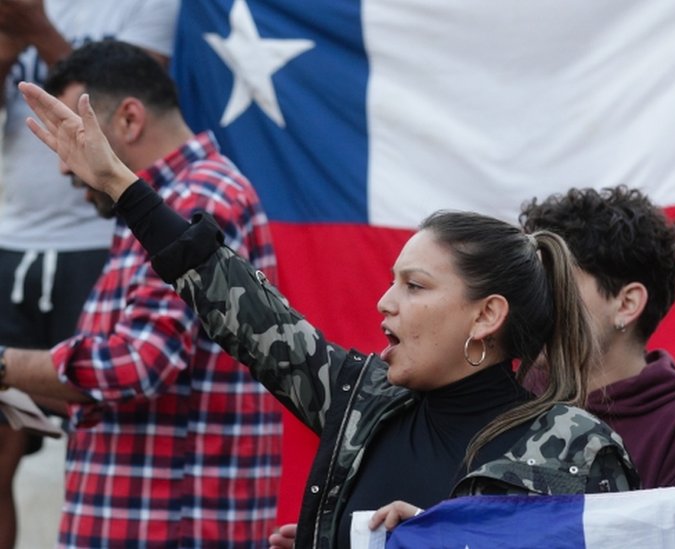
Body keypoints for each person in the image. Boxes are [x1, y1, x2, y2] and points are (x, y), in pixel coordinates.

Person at [18, 77, 641, 549]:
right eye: (391, 283)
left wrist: (433, 537)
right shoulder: (361, 399)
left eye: (415, 287)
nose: (385, 303)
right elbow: (243, 307)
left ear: (486, 316)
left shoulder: (575, 448)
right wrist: (120, 183)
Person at [0, 41, 282, 547]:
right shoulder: (157, 206)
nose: (64, 166)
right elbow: (129, 384)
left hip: (169, 526)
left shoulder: (197, 200)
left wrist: (4, 366)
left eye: (71, 134)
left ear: (129, 119)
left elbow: (136, 365)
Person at [0, 2, 178, 547]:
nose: (61, 161)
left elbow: (131, 97)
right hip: (12, 238)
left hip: (104, 240)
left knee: (104, 431)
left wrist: (39, 31)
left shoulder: (152, 4)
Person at [519, 186, 675, 488]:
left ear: (626, 304)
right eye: (532, 283)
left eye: (555, 283)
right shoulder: (509, 397)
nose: (533, 301)